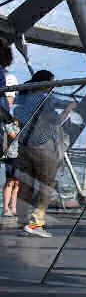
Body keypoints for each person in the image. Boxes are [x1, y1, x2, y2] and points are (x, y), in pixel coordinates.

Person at [14, 70, 76, 238]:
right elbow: (58, 119)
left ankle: (23, 222)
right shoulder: (45, 98)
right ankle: (35, 223)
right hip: (43, 147)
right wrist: (70, 107)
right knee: (46, 185)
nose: (52, 86)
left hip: (24, 146)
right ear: (45, 83)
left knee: (25, 184)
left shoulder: (22, 98)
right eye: (51, 83)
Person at [1, 38, 19, 217]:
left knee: (13, 179)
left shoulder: (7, 77)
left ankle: (9, 208)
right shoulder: (8, 77)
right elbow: (7, 103)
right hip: (5, 126)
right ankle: (9, 208)